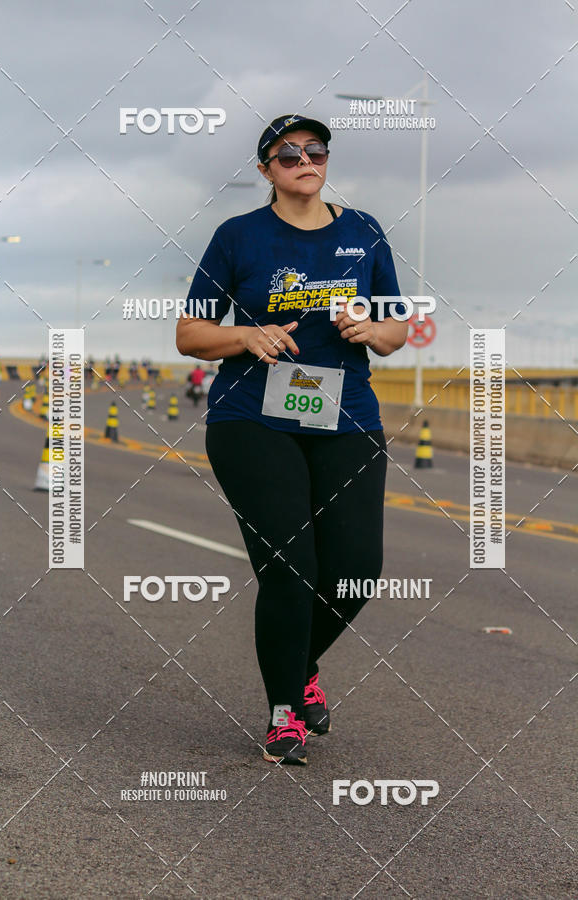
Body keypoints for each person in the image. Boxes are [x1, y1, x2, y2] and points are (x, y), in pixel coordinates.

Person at [176, 114, 408, 766]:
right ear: (266, 170)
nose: (305, 161)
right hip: (252, 419)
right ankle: (284, 711)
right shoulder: (239, 236)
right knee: (291, 569)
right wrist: (245, 335)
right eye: (288, 154)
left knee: (356, 573)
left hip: (346, 416)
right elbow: (190, 334)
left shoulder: (363, 231)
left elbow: (399, 329)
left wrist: (373, 330)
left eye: (315, 151)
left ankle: (300, 666)